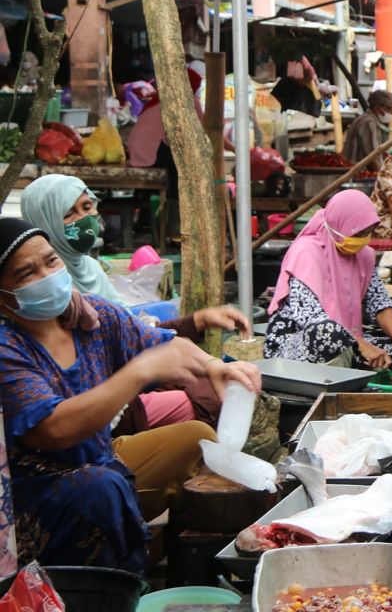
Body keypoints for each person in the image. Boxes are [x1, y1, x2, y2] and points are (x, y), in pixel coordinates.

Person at [0, 218, 261, 573]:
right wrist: (138, 372)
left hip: (99, 459)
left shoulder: (92, 316)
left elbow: (164, 343)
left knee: (197, 439)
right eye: (26, 274)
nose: (46, 276)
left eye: (51, 261)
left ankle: (186, 566)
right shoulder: (8, 347)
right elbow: (53, 428)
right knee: (101, 489)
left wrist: (213, 365)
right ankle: (112, 583)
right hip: (32, 492)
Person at [20, 173, 252, 431]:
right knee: (208, 397)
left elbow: (128, 329)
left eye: (87, 207)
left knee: (215, 380)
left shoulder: (91, 269)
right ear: (45, 222)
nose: (85, 219)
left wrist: (197, 322)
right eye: (68, 214)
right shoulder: (48, 291)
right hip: (98, 403)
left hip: (124, 377)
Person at [265, 190, 392, 370]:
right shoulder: (306, 253)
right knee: (329, 333)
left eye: (367, 233)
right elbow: (312, 319)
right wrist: (362, 345)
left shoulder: (363, 255)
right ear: (338, 225)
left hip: (348, 340)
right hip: (297, 344)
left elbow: (379, 303)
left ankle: (354, 363)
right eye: (357, 234)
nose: (362, 240)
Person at [343, 89, 392, 170]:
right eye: (388, 108)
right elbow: (372, 158)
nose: (391, 112)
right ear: (377, 108)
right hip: (357, 174)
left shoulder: (365, 119)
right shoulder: (368, 123)